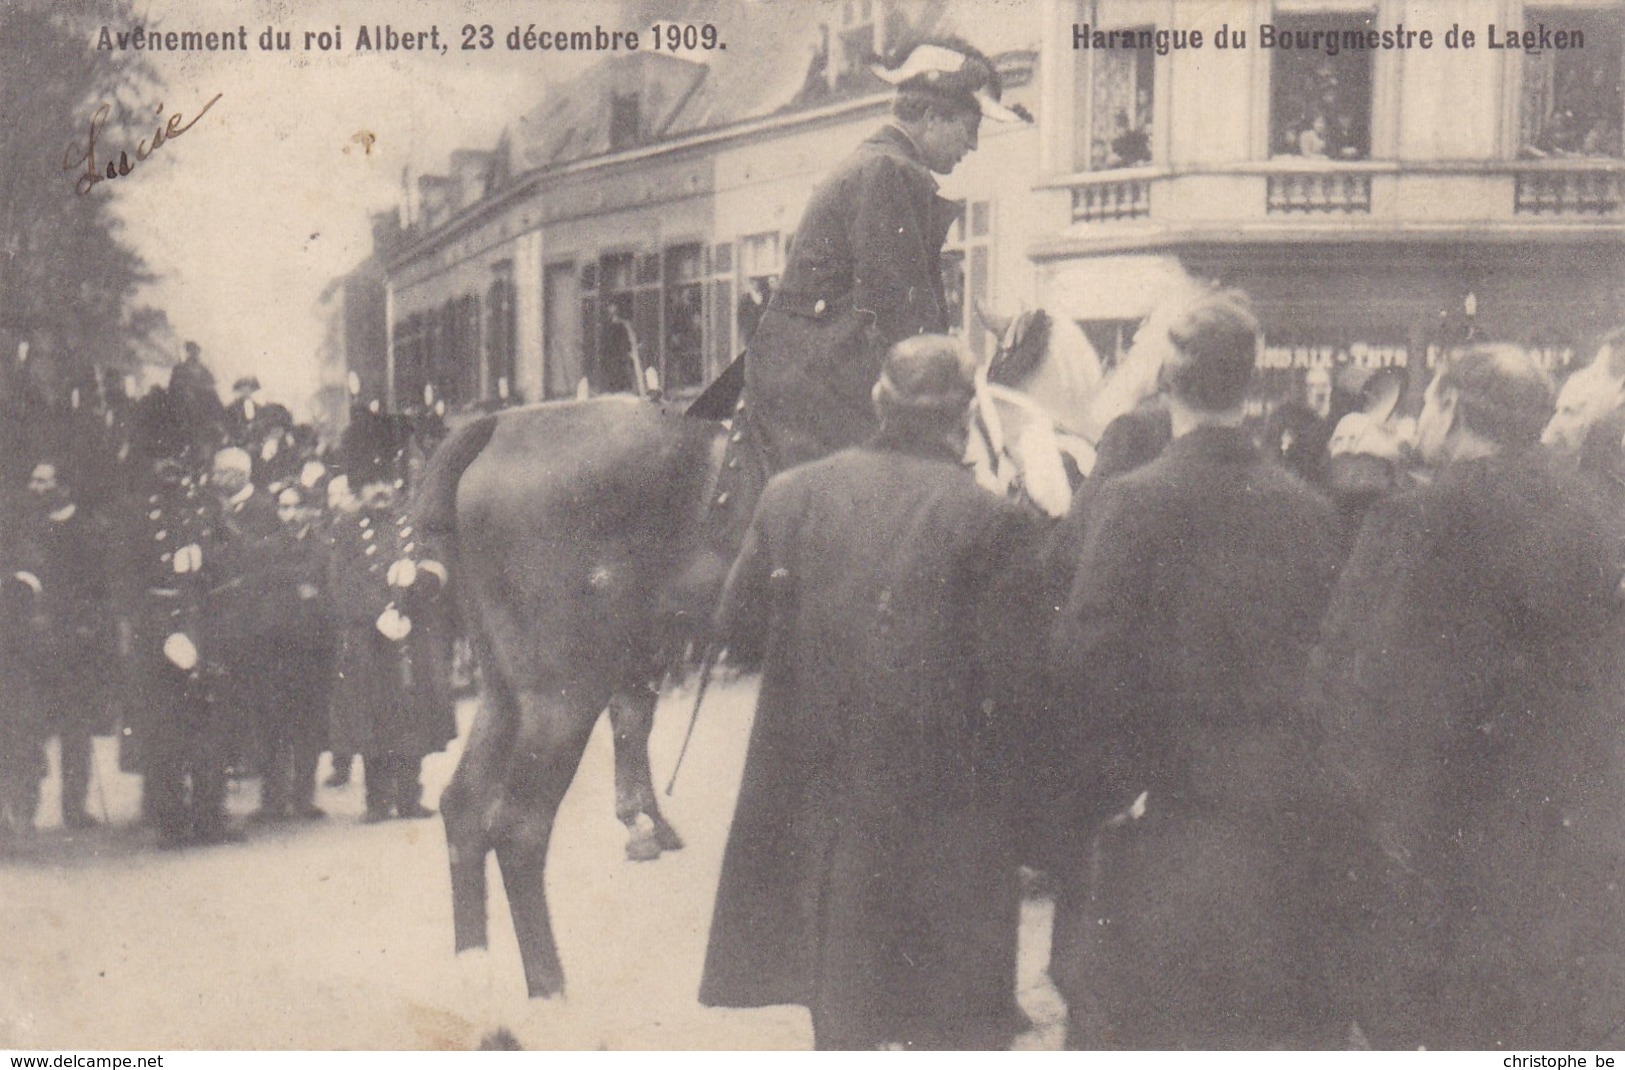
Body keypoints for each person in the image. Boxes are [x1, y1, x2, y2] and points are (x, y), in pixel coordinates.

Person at [699, 335, 1042, 1050]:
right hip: (948, 836)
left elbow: (735, 628)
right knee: (949, 1032)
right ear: (961, 416)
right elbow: (1018, 688)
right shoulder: (995, 521)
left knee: (844, 1026)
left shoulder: (791, 495)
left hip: (828, 824)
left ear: (877, 402)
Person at [1045, 288, 1344, 1049]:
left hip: (1162, 817)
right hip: (1273, 818)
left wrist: (1106, 794)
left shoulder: (1131, 502)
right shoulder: (1307, 509)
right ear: (1250, 381)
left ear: (1165, 380)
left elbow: (1086, 661)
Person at [1310, 345, 1625, 1049]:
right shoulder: (1597, 513)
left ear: (1451, 407)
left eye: (1428, 400)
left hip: (1437, 863)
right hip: (1565, 855)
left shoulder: (1415, 518)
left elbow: (1353, 682)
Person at [738, 37, 1026, 480]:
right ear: (931, 117)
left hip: (802, 366)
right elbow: (900, 312)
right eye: (969, 129)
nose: (972, 146)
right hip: (819, 378)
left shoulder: (879, 163)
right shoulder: (889, 171)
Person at [119, 388, 238, 848]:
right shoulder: (135, 513)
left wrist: (207, 558)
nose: (172, 465)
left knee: (210, 725)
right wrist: (160, 632)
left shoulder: (204, 506)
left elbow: (229, 563)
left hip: (203, 626)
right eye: (163, 456)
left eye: (179, 455)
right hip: (160, 632)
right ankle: (170, 820)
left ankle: (210, 817)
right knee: (164, 729)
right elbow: (124, 584)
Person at [326, 409, 455, 823]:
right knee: (373, 718)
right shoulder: (346, 529)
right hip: (369, 639)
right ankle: (377, 800)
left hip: (413, 635)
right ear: (358, 489)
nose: (380, 491)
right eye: (370, 485)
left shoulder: (413, 522)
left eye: (385, 482)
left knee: (411, 717)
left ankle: (409, 795)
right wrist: (375, 613)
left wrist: (419, 578)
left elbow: (438, 565)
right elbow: (341, 583)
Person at [15, 460, 112, 829]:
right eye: (33, 480)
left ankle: (75, 807)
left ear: (64, 486)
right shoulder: (26, 526)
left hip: (76, 643)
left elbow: (99, 587)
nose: (36, 487)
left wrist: (90, 627)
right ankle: (24, 810)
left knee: (76, 728)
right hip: (34, 642)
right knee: (28, 727)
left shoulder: (88, 529)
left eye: (44, 481)